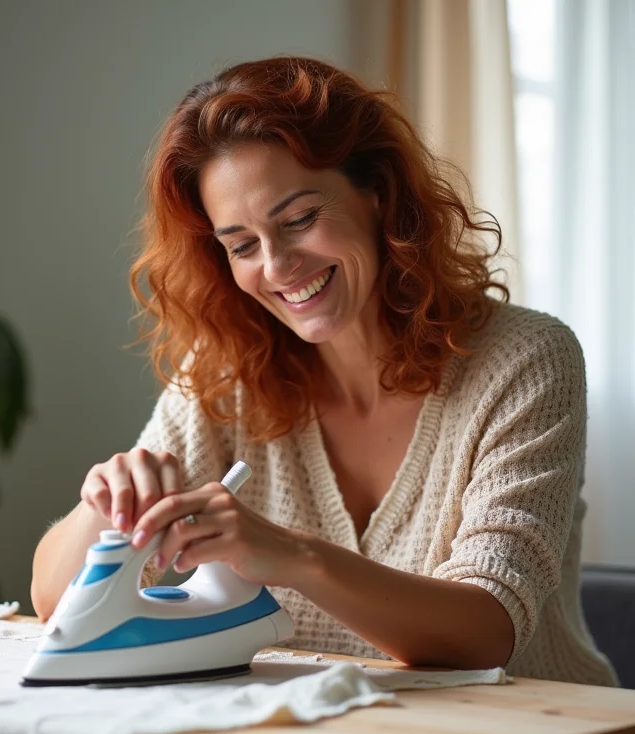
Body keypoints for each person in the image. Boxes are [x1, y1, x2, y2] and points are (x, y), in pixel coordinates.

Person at [31, 56, 616, 686]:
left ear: (378, 193)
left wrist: (294, 557)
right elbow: (51, 601)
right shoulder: (226, 377)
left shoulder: (526, 360)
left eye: (300, 219)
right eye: (243, 245)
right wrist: (109, 504)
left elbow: (488, 631)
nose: (278, 267)